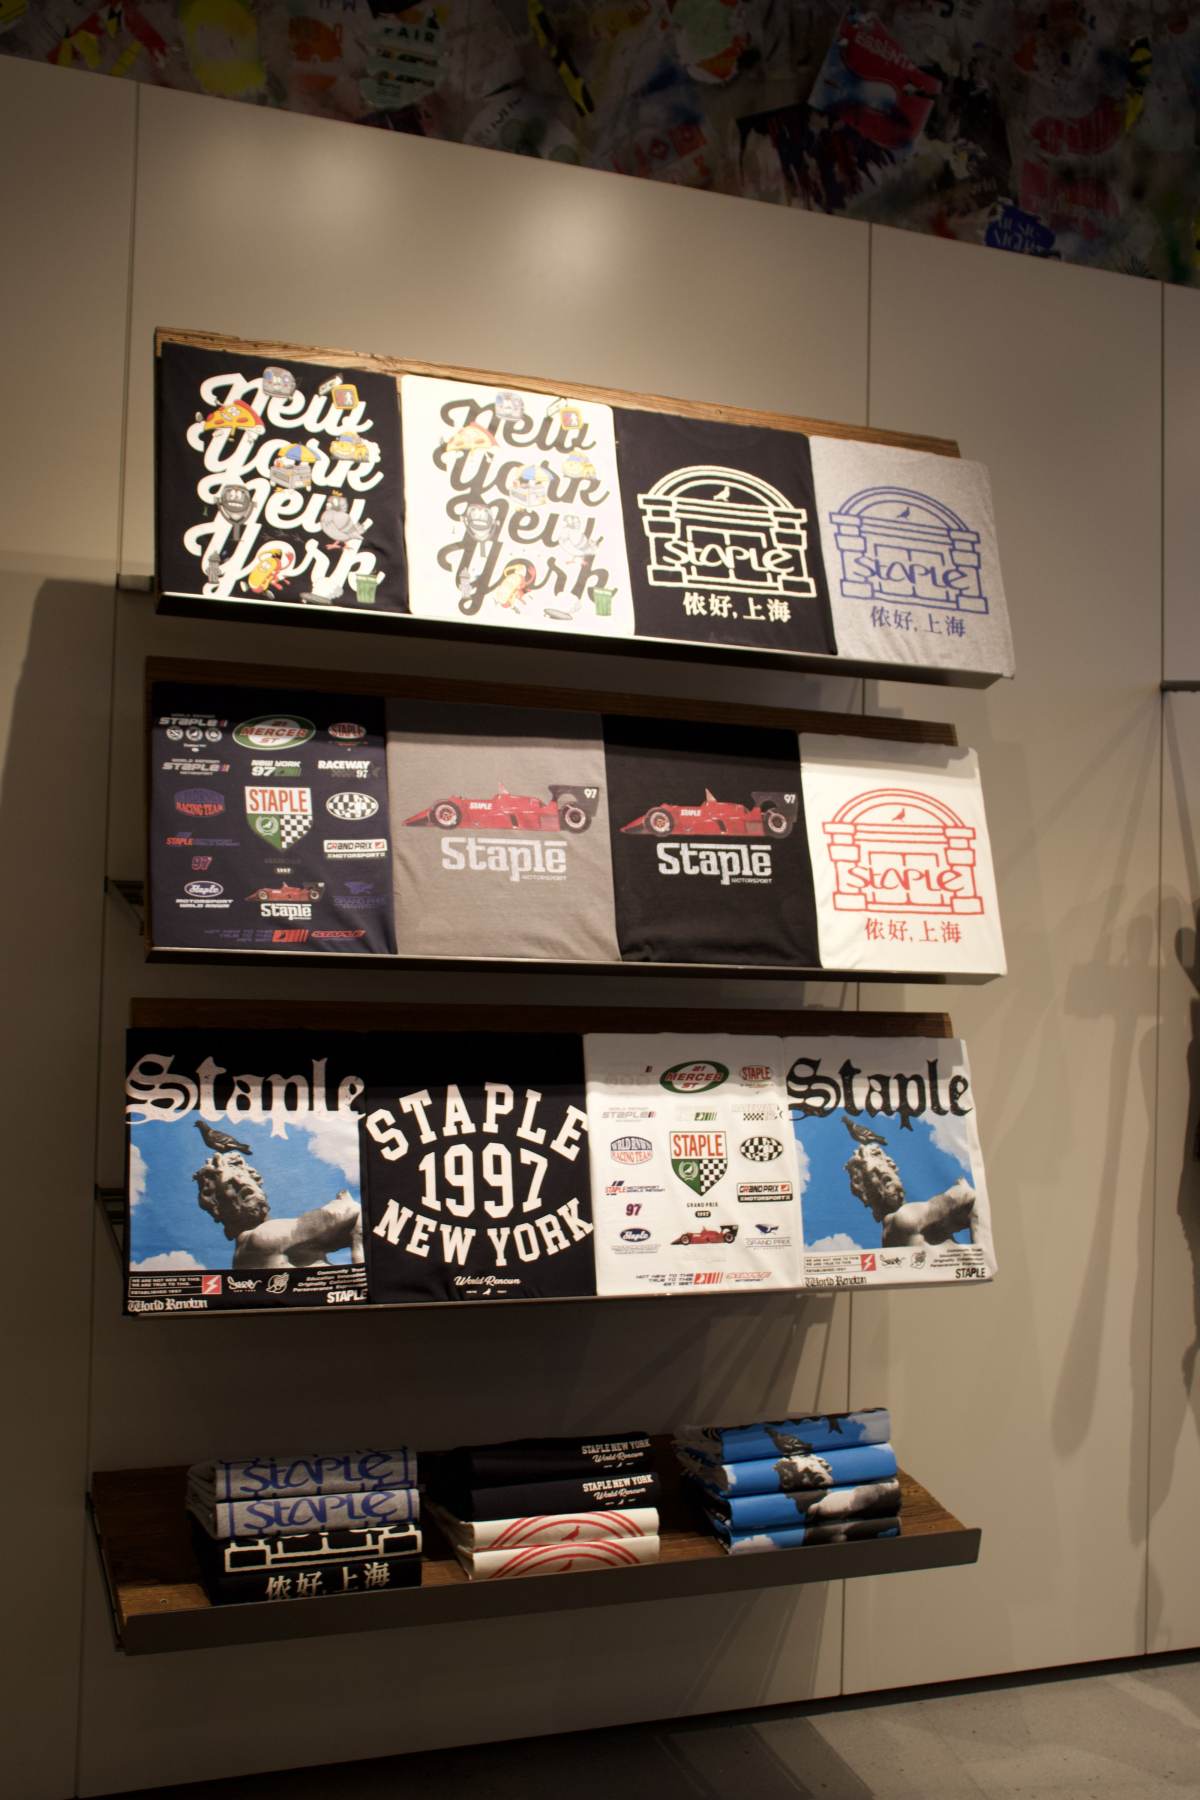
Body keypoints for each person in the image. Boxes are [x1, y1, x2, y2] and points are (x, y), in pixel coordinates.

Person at [193, 1149, 362, 1269]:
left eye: (241, 1176)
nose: (241, 1182)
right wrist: (345, 1201)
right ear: (218, 1207)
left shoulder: (244, 1252)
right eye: (230, 1185)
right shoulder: (261, 1237)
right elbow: (343, 1212)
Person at [845, 1140, 976, 1248]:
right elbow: (965, 1195)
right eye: (885, 1178)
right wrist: (962, 1185)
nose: (884, 1187)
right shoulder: (905, 1216)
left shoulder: (888, 1236)